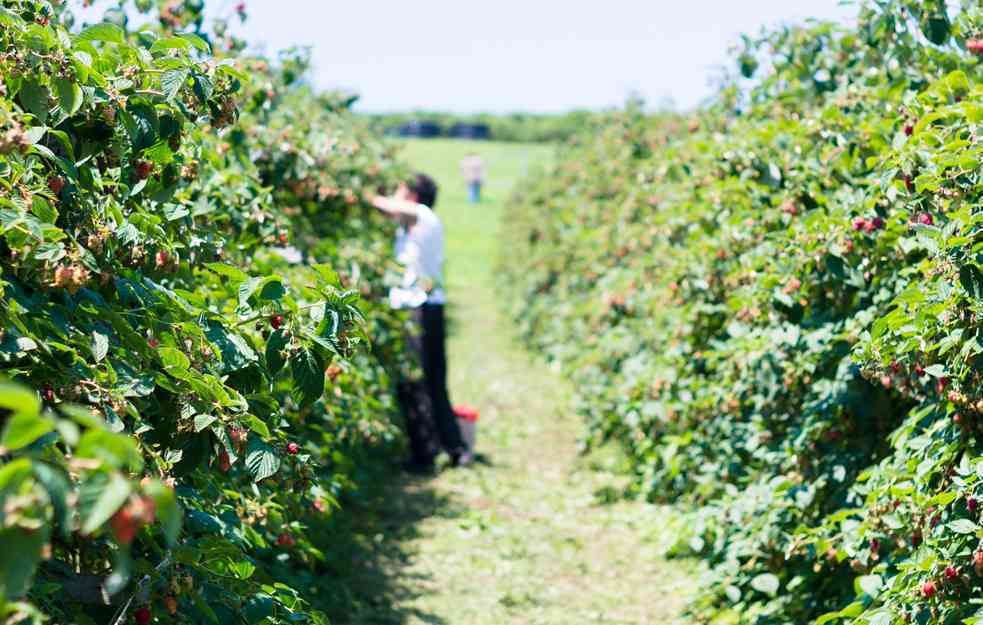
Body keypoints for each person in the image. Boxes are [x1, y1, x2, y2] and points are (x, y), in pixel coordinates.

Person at [371, 174, 473, 471]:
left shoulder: (423, 215)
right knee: (431, 379)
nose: (395, 194)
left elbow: (385, 206)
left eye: (399, 189)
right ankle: (454, 448)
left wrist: (362, 195)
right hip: (427, 307)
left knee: (413, 380)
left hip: (418, 308)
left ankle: (425, 454)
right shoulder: (414, 226)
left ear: (413, 195)